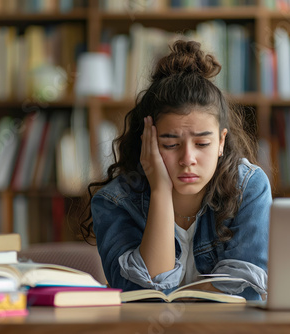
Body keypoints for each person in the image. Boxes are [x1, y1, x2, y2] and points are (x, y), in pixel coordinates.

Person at [79, 39, 272, 300]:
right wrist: (160, 191)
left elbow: (246, 291)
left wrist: (177, 299)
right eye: (170, 144)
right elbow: (144, 297)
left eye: (202, 143)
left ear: (221, 142)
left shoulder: (248, 187)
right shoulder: (115, 201)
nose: (188, 158)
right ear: (147, 143)